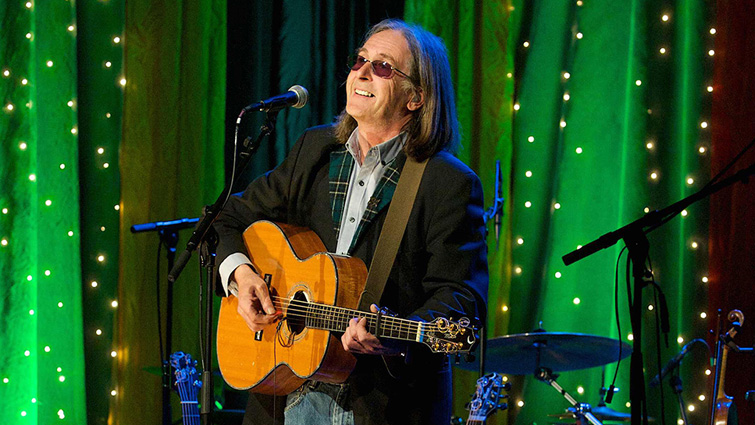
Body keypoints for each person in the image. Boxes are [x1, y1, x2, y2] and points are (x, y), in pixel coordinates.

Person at [213, 18, 488, 425]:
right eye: (360, 59)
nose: (361, 71)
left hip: (382, 403)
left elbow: (460, 298)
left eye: (383, 66)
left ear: (416, 97)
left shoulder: (448, 183)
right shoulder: (316, 150)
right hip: (281, 392)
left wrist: (397, 339)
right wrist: (241, 276)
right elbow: (228, 216)